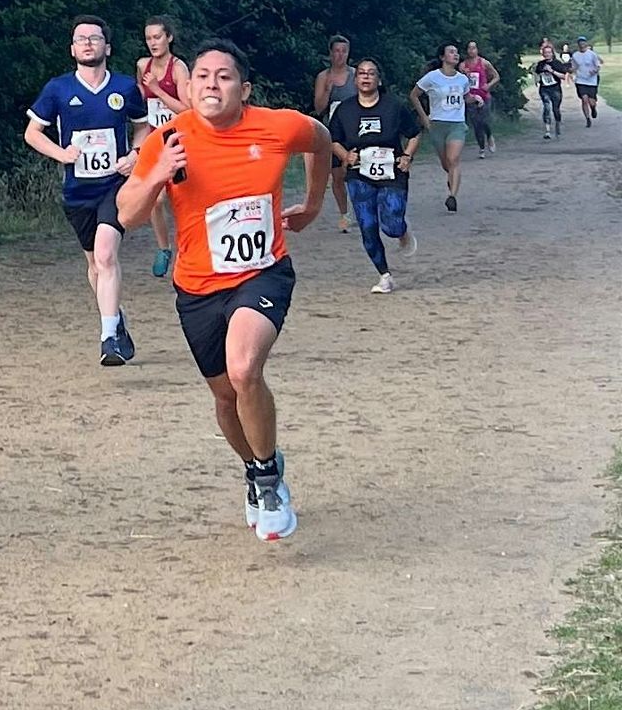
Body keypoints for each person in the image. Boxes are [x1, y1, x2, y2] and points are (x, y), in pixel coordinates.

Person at [117, 39, 331, 541]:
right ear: (188, 88)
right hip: (196, 285)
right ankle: (258, 466)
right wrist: (159, 177)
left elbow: (321, 141)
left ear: (245, 88)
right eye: (203, 76)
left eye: (225, 76)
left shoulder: (278, 126)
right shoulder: (167, 140)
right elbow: (126, 212)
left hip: (263, 272)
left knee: (244, 368)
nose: (212, 83)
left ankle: (269, 480)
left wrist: (314, 202)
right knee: (224, 394)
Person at [25, 16, 149, 366]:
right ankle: (116, 318)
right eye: (81, 39)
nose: (88, 44)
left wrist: (134, 155)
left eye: (94, 38)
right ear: (73, 49)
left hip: (115, 186)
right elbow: (32, 133)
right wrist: (60, 153)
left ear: (107, 47)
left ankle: (108, 338)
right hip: (78, 191)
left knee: (107, 254)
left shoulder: (124, 87)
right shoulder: (58, 89)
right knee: (95, 264)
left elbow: (143, 128)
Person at [328, 59, 421, 293]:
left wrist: (407, 156)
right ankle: (385, 275)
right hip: (360, 174)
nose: (366, 77)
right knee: (368, 225)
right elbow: (333, 140)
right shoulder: (345, 110)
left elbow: (414, 134)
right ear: (356, 79)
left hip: (392, 172)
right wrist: (345, 156)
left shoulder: (394, 107)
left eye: (371, 73)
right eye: (361, 73)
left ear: (379, 79)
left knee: (391, 224)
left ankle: (400, 229)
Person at [136, 16, 190, 278]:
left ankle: (188, 250)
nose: (153, 43)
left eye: (157, 37)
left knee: (182, 197)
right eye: (148, 38)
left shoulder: (178, 68)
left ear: (169, 38)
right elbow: (140, 102)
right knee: (155, 199)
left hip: (178, 140)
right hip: (153, 141)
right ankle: (163, 248)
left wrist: (158, 91)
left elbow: (187, 108)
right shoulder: (142, 65)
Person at [410, 44, 470, 212]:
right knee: (446, 164)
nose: (456, 55)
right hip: (437, 124)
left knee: (453, 159)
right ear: (443, 57)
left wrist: (476, 100)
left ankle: (452, 197)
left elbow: (466, 97)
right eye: (451, 52)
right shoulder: (432, 77)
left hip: (457, 124)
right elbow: (414, 95)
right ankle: (452, 179)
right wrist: (424, 118)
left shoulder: (463, 79)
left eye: (457, 52)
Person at [313, 34, 357, 231]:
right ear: (330, 53)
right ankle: (344, 214)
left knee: (355, 171)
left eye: (344, 51)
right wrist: (327, 90)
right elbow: (319, 107)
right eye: (336, 51)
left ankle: (362, 209)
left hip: (356, 129)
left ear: (348, 54)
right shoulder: (323, 77)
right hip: (333, 132)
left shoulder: (356, 75)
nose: (340, 55)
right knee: (337, 176)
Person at [461, 41, 500, 158]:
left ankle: (489, 136)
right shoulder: (463, 65)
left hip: (484, 96)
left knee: (484, 120)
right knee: (476, 123)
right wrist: (463, 74)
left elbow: (496, 76)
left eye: (474, 48)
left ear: (477, 50)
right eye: (469, 48)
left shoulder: (483, 63)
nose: (471, 50)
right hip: (470, 98)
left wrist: (489, 85)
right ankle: (481, 147)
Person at [533, 40, 569, 139]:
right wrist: (537, 80)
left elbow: (563, 76)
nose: (547, 54)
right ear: (543, 54)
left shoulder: (557, 63)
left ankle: (557, 124)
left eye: (549, 52)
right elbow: (536, 73)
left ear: (552, 53)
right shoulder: (540, 64)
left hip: (555, 89)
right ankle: (547, 131)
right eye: (545, 53)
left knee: (555, 109)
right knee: (546, 108)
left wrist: (552, 71)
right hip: (544, 89)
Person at [571, 36, 602, 126]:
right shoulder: (575, 55)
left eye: (583, 42)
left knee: (591, 101)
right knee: (584, 99)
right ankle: (588, 119)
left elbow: (598, 66)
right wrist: (570, 70)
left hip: (592, 80)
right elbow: (574, 67)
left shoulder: (592, 54)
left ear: (586, 43)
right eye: (580, 43)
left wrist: (595, 71)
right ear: (578, 45)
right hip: (580, 80)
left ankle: (593, 108)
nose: (582, 44)